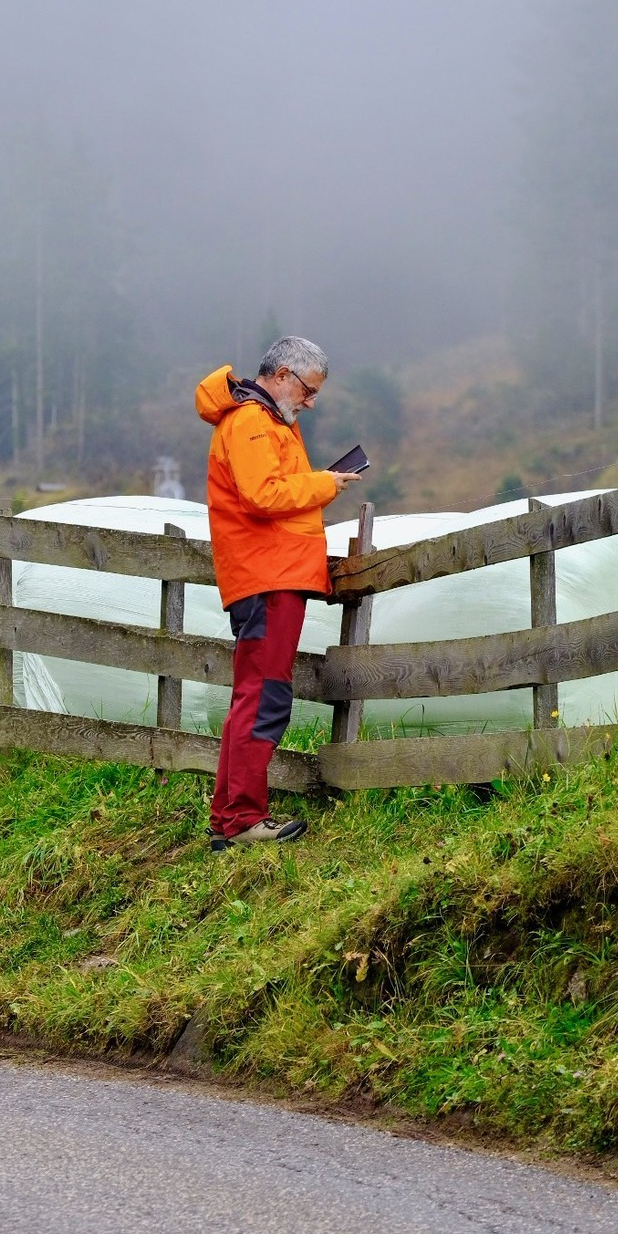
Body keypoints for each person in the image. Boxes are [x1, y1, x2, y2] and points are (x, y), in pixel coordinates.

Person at [195, 336, 362, 850]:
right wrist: (324, 485)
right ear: (284, 374)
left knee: (252, 695)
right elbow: (263, 494)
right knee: (265, 697)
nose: (310, 402)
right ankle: (246, 818)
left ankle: (229, 819)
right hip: (268, 577)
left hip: (267, 574)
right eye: (309, 390)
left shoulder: (263, 420)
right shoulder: (251, 422)